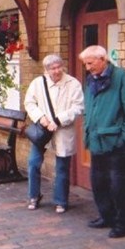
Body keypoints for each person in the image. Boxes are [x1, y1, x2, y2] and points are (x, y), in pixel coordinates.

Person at [79, 45, 125, 238]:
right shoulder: (91, 80)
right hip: (97, 142)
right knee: (98, 183)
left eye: (90, 63)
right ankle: (106, 217)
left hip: (116, 144)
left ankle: (123, 224)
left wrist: (123, 138)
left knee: (119, 187)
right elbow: (89, 108)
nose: (87, 68)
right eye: (85, 64)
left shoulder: (121, 77)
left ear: (103, 59)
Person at [24, 54, 84, 213]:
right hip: (42, 130)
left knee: (62, 167)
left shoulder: (73, 83)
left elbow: (78, 107)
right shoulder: (38, 83)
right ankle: (33, 196)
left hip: (63, 130)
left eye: (59, 67)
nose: (57, 71)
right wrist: (41, 118)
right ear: (46, 70)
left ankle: (61, 200)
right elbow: (29, 102)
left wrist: (58, 120)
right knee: (33, 163)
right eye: (53, 68)